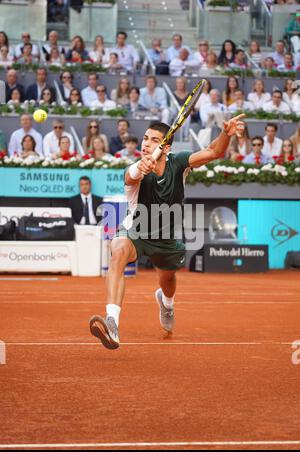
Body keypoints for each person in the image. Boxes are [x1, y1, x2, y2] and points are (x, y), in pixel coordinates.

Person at [89, 115, 245, 349]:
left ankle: (167, 303)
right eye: (144, 139)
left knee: (168, 280)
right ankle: (112, 322)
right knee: (118, 250)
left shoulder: (179, 162)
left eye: (153, 140)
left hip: (166, 239)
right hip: (136, 233)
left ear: (166, 147)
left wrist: (226, 133)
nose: (145, 144)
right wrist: (141, 168)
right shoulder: (136, 167)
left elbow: (213, 152)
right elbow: (131, 176)